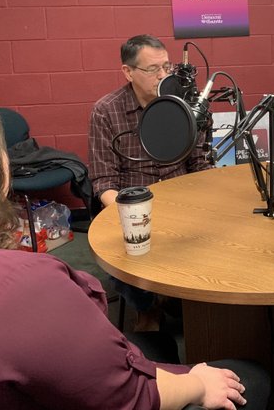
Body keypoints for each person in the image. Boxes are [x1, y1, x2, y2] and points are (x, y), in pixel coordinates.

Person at [0, 90, 270, 410]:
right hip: (113, 392)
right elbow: (127, 397)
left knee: (160, 345)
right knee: (252, 378)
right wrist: (197, 384)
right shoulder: (20, 287)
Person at [88, 34, 212, 331]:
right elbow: (103, 181)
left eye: (167, 67)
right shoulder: (106, 111)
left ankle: (178, 296)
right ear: (128, 72)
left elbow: (201, 166)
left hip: (182, 202)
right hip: (133, 205)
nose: (163, 76)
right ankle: (147, 307)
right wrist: (131, 216)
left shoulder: (184, 107)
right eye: (153, 69)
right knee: (122, 252)